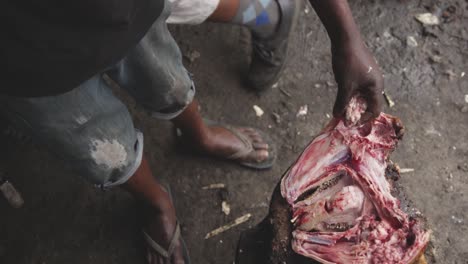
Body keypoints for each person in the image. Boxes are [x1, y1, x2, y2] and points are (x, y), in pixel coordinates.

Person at [0, 0, 383, 263]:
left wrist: (346, 34)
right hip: (25, 65)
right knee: (103, 151)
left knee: (170, 82)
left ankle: (196, 134)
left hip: (135, 16)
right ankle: (156, 202)